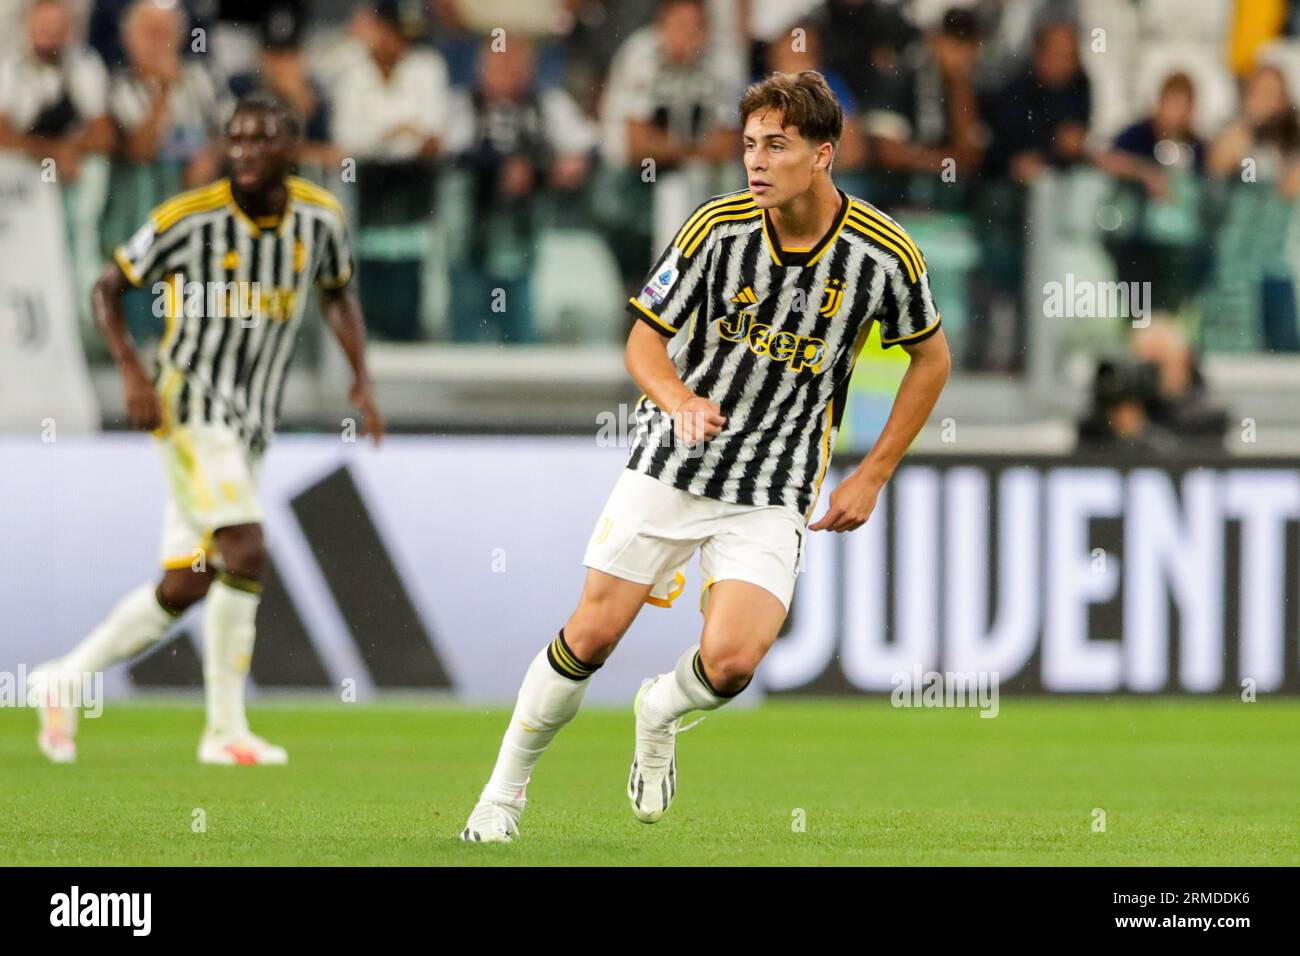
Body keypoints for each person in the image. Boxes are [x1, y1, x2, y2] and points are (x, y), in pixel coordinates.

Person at [460, 70, 950, 842]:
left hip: (776, 481)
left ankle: (659, 711)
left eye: (777, 145)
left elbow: (932, 359)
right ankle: (502, 795)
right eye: (750, 143)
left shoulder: (881, 253)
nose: (756, 160)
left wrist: (875, 470)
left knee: (732, 662)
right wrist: (679, 399)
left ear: (823, 154)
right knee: (590, 634)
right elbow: (644, 341)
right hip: (677, 459)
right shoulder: (715, 229)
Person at [29, 93, 385, 766]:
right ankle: (224, 729)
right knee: (246, 547)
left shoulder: (320, 219)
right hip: (189, 406)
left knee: (190, 579)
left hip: (252, 422)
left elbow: (338, 294)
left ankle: (63, 678)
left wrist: (361, 379)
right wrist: (133, 374)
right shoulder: (189, 218)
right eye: (236, 140)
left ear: (291, 148)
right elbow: (108, 287)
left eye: (261, 140)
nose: (246, 152)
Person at [0, 0, 114, 181]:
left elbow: (104, 135)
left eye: (57, 28)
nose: (50, 35)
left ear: (68, 29)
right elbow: (2, 135)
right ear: (28, 26)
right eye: (44, 26)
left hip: (71, 167)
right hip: (24, 166)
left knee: (96, 166)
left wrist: (68, 151)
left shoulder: (85, 64)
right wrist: (52, 150)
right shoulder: (8, 68)